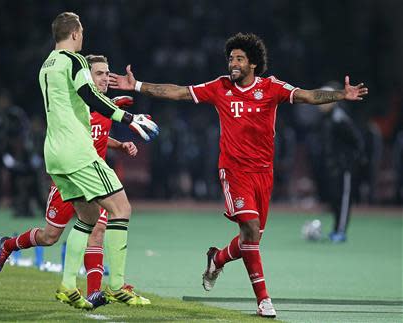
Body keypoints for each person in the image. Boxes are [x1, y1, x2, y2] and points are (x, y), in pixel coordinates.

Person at [109, 32, 368, 318]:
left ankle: (217, 259)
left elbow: (308, 96)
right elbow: (179, 91)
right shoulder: (220, 87)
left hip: (263, 173)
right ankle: (264, 300)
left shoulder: (271, 88)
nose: (233, 63)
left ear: (253, 64)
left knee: (251, 238)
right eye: (231, 58)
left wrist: (341, 95)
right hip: (233, 171)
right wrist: (138, 85)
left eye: (239, 58)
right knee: (251, 231)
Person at [0, 12, 159, 310]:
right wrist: (129, 118)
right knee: (121, 208)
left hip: (54, 154)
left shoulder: (47, 65)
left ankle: (69, 286)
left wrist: (117, 121)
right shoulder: (75, 61)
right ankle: (117, 285)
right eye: (82, 32)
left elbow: (79, 103)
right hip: (78, 153)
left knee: (90, 218)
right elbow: (89, 96)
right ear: (76, 33)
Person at [56, 54, 150, 307]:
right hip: (83, 166)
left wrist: (119, 143)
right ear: (86, 76)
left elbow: (98, 128)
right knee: (49, 235)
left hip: (72, 166)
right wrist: (126, 115)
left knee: (91, 224)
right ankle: (116, 286)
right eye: (99, 73)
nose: (106, 78)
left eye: (107, 74)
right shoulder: (82, 101)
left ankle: (77, 287)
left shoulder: (95, 103)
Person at [317, 83, 366, 242]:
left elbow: (357, 141)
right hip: (333, 167)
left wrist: (349, 162)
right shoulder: (328, 119)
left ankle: (341, 231)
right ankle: (336, 229)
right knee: (335, 199)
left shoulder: (340, 119)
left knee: (344, 200)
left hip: (344, 168)